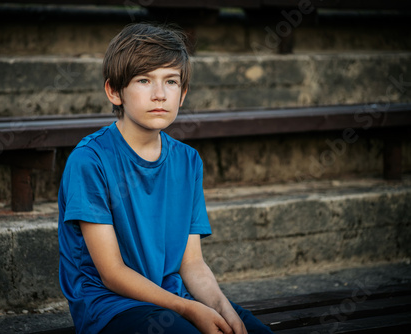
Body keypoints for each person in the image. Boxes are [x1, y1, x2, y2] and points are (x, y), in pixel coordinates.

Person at [58, 23, 274, 334]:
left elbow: (192, 264)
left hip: (174, 299)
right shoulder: (90, 160)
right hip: (112, 308)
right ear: (114, 91)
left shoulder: (188, 161)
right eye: (144, 80)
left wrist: (220, 305)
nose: (159, 94)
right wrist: (189, 309)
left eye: (171, 81)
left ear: (183, 94)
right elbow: (112, 273)